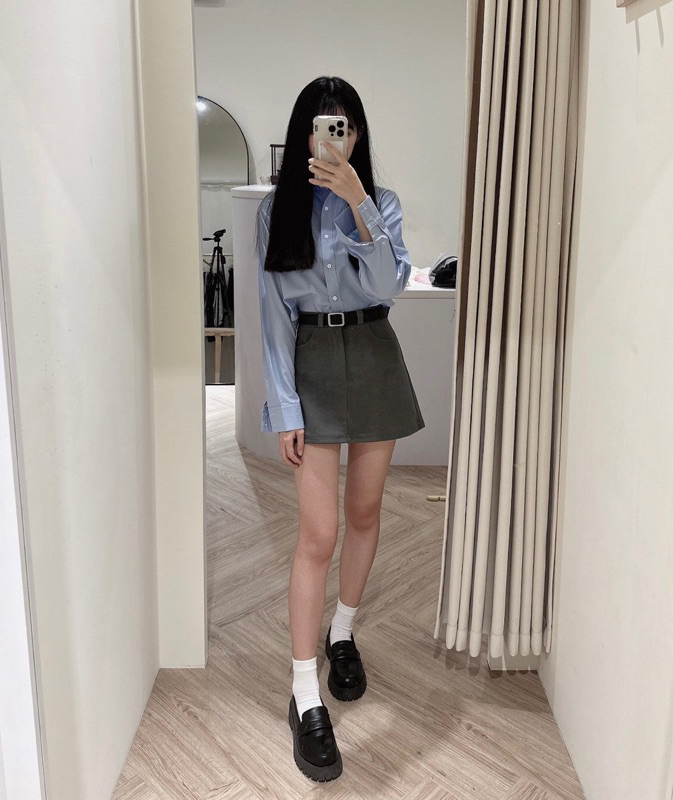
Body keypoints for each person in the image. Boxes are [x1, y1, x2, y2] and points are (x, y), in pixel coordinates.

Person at [255, 76, 425, 782]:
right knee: (317, 533)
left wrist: (359, 204)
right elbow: (271, 312)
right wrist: (285, 408)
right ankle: (304, 690)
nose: (336, 139)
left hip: (375, 351)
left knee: (364, 511)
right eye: (324, 127)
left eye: (346, 127)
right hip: (313, 361)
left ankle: (344, 633)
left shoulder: (381, 203)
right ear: (303, 135)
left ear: (358, 136)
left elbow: (389, 286)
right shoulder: (276, 211)